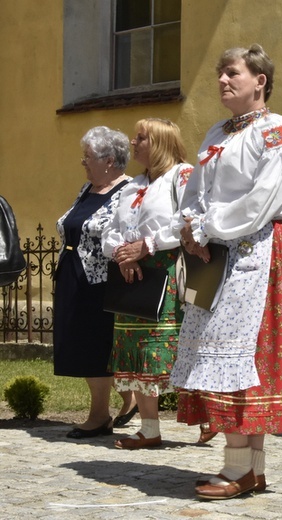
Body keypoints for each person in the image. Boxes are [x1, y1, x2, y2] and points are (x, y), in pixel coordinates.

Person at [170, 45, 282, 500]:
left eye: (232, 73)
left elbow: (263, 199)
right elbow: (195, 191)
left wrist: (207, 227)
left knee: (246, 356)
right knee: (220, 354)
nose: (223, 81)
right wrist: (189, 228)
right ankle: (248, 468)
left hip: (256, 251)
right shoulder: (215, 132)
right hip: (214, 255)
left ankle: (241, 468)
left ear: (259, 80)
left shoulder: (278, 131)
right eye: (220, 74)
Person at [102, 118, 193, 449]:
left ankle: (207, 415)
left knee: (171, 349)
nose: (133, 141)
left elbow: (188, 220)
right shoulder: (131, 185)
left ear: (160, 143)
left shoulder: (182, 176)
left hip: (166, 271)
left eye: (140, 137)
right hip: (131, 273)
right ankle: (150, 429)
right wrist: (122, 254)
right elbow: (111, 228)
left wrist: (148, 245)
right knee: (138, 351)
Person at [54, 126, 132, 438]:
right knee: (81, 343)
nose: (83, 163)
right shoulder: (88, 189)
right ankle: (129, 399)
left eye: (88, 157)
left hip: (100, 280)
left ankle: (100, 415)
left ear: (109, 160)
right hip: (73, 273)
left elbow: (125, 232)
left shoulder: (127, 191)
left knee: (96, 346)